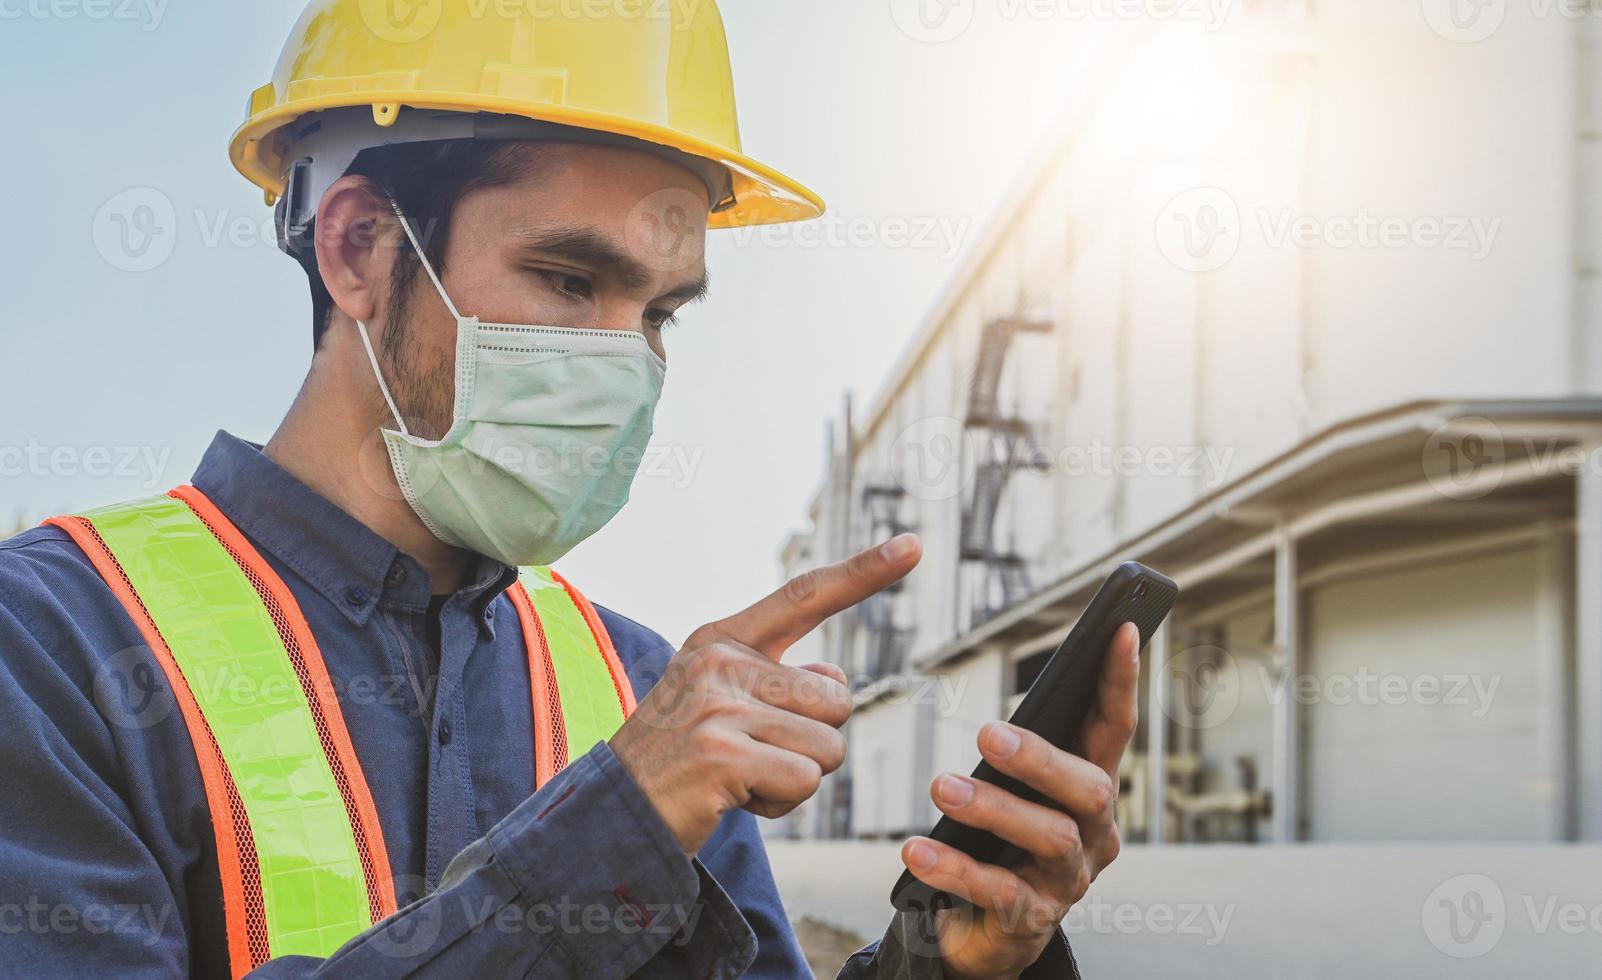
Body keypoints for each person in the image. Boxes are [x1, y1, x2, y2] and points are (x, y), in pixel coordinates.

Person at [0, 2, 1139, 976]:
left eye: (659, 312)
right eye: (569, 277)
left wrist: (954, 959)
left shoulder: (637, 683)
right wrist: (610, 832)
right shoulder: (51, 643)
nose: (624, 360)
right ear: (357, 247)